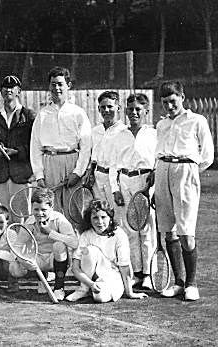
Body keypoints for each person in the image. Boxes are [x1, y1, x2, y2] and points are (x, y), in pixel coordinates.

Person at [154, 81, 214, 301]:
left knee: (186, 233)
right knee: (168, 231)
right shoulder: (161, 125)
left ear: (182, 97)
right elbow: (157, 152)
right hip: (162, 171)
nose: (169, 106)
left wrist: (189, 172)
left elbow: (207, 155)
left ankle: (191, 283)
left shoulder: (197, 120)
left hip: (186, 172)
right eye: (165, 102)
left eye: (173, 101)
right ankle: (179, 282)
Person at [30, 66, 92, 220]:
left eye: (60, 84)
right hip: (49, 164)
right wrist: (39, 175)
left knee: (75, 212)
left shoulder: (78, 113)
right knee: (51, 213)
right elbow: (35, 147)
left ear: (68, 86)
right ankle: (54, 244)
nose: (56, 88)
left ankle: (75, 243)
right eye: (53, 84)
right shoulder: (42, 114)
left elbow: (86, 147)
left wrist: (78, 172)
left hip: (72, 162)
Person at [111, 93, 157, 289]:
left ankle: (148, 273)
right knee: (129, 229)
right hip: (124, 181)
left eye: (138, 109)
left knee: (146, 228)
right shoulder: (121, 134)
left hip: (145, 181)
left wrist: (151, 186)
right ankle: (136, 272)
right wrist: (115, 189)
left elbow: (158, 161)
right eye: (130, 109)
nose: (134, 113)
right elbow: (113, 164)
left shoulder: (153, 133)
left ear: (146, 111)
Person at [66, 200, 148, 302]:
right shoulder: (85, 235)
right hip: (92, 277)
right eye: (95, 218)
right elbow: (75, 268)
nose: (99, 222)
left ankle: (109, 287)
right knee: (90, 251)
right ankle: (83, 290)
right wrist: (90, 284)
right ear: (90, 220)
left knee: (100, 297)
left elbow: (124, 266)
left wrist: (130, 293)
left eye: (103, 217)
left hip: (114, 274)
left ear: (110, 218)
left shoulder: (120, 235)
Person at [0, 75, 36, 223]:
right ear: (1, 92)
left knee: (22, 217)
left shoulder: (28, 115)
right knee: (1, 217)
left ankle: (21, 246)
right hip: (0, 176)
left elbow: (35, 145)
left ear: (19, 91)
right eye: (5, 87)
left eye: (12, 87)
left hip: (21, 175)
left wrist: (17, 151)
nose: (8, 90)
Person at [9, 188, 78, 300]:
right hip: (38, 258)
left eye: (44, 210)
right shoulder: (30, 222)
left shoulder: (59, 219)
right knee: (14, 268)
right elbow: (17, 246)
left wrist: (50, 232)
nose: (39, 213)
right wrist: (25, 262)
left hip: (56, 259)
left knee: (59, 245)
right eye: (36, 209)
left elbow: (74, 243)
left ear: (51, 208)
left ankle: (58, 287)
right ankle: (41, 279)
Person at [89, 91, 127, 223]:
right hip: (97, 180)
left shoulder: (124, 132)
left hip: (114, 181)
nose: (106, 110)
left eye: (110, 106)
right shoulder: (95, 131)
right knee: (101, 217)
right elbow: (93, 156)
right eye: (103, 107)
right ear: (99, 109)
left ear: (118, 108)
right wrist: (91, 172)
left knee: (117, 217)